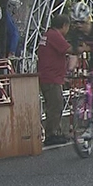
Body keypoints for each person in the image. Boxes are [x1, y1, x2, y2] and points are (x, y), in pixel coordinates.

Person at [38, 14, 72, 146]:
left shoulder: (47, 35)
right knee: (55, 105)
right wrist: (84, 48)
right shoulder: (54, 36)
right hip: (51, 77)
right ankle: (51, 134)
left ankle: (56, 131)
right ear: (64, 25)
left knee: (54, 104)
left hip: (48, 75)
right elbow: (69, 49)